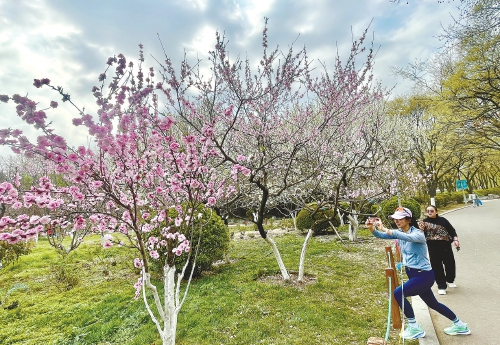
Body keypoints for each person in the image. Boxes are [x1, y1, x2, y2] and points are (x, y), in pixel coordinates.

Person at [365, 207, 470, 340]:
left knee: (398, 292)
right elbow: (382, 235)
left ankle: (414, 327)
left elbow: (401, 236)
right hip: (414, 275)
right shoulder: (399, 232)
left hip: (423, 276)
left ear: (409, 219)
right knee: (433, 304)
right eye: (395, 219)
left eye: (400, 219)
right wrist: (371, 228)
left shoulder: (418, 234)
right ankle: (460, 325)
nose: (397, 221)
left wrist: (385, 228)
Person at [421, 205, 460, 295]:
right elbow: (420, 234)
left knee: (450, 264)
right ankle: (441, 285)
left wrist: (456, 240)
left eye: (431, 211)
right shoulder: (424, 222)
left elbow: (452, 230)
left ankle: (450, 280)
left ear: (436, 211)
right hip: (432, 247)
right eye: (428, 211)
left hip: (445, 246)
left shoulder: (443, 220)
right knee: (436, 266)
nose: (429, 212)